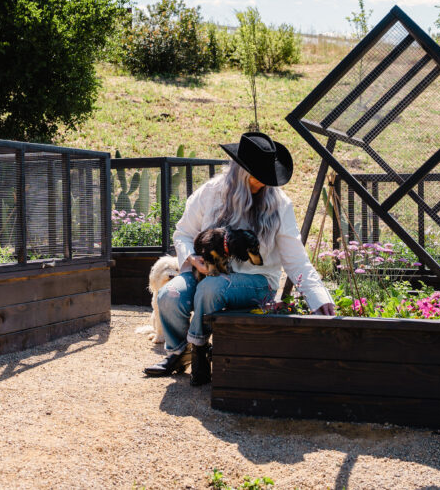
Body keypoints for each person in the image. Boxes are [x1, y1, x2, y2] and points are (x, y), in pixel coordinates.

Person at [143, 131, 336, 386]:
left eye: (267, 178)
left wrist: (319, 298)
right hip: (208, 271)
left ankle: (199, 349)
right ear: (239, 171)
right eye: (256, 177)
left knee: (211, 288)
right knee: (170, 294)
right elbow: (183, 234)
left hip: (257, 280)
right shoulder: (211, 192)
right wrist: (192, 258)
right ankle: (179, 353)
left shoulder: (280, 205)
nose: (262, 183)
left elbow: (296, 259)